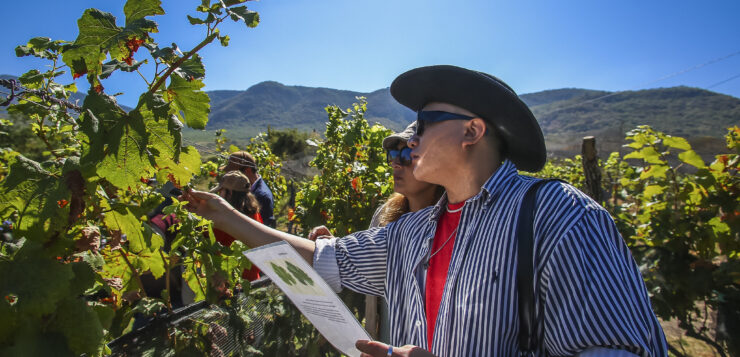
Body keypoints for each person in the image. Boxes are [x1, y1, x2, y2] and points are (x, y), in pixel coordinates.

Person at [183, 65, 667, 356]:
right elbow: (321, 260)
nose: (408, 138)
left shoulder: (558, 216)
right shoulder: (411, 232)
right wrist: (225, 214)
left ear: (472, 132)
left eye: (424, 123)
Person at [307, 122, 444, 342]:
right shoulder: (385, 214)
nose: (396, 163)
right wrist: (340, 248)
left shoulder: (447, 226)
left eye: (408, 154)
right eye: (393, 154)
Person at [211, 170, 263, 281]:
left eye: (221, 191)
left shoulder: (225, 217)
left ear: (229, 193)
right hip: (252, 279)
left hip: (232, 282)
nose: (219, 195)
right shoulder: (254, 212)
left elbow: (210, 243)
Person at [220, 151, 276, 227]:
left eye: (235, 173)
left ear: (248, 170)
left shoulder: (261, 196)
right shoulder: (252, 189)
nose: (231, 176)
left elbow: (259, 230)